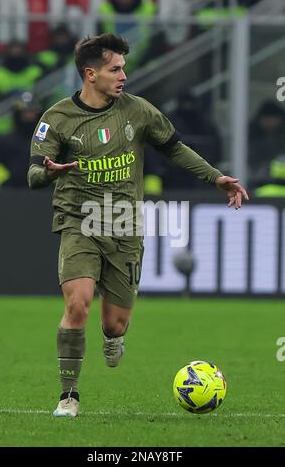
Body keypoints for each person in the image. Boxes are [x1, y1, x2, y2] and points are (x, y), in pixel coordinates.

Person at [27, 33, 248, 417]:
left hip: (125, 226)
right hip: (79, 221)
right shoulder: (57, 118)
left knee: (114, 325)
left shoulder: (138, 111)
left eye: (124, 68)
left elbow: (174, 147)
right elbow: (32, 173)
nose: (123, 75)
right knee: (77, 305)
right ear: (90, 74)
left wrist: (215, 178)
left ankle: (114, 338)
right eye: (116, 69)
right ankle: (69, 395)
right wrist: (49, 174)